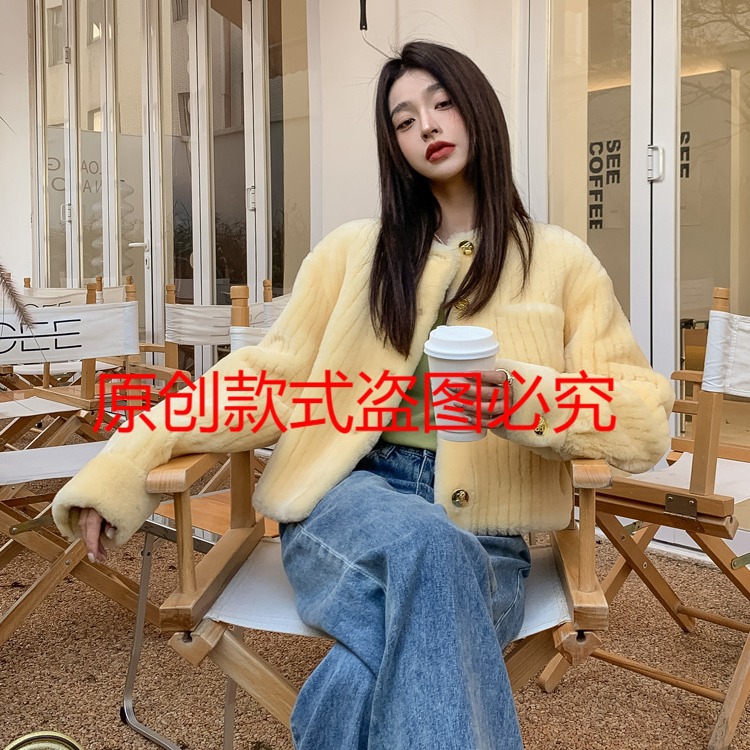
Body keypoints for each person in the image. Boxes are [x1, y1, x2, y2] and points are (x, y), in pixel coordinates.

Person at [52, 41, 674, 750]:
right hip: (350, 502)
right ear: (394, 145)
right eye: (404, 120)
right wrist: (127, 462)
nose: (426, 126)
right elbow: (262, 377)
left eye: (442, 103)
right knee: (427, 547)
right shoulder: (353, 252)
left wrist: (520, 398)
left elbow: (642, 420)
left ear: (479, 110)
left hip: (488, 544)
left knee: (359, 674)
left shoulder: (561, 262)